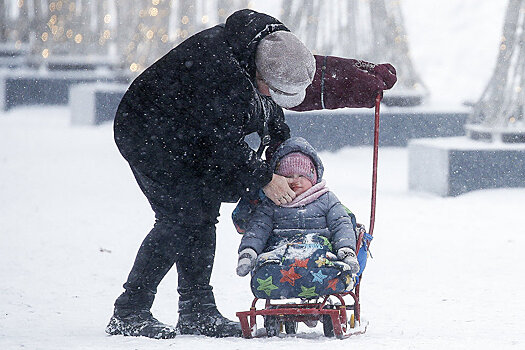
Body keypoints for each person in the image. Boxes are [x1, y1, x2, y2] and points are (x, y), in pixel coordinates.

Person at [107, 8, 397, 339]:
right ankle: (130, 310)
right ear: (260, 76)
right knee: (181, 217)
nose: (273, 97)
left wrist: (281, 149)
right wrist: (264, 179)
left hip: (190, 133)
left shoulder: (270, 49)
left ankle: (196, 310)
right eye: (270, 90)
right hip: (151, 132)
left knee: (202, 215)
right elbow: (224, 146)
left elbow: (269, 111)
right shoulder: (221, 71)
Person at [235, 137, 360, 298]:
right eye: (288, 175)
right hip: (282, 252)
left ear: (313, 177)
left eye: (301, 175)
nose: (295, 180)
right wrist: (249, 250)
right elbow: (258, 228)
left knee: (327, 264)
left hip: (318, 252)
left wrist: (346, 249)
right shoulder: (272, 203)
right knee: (268, 265)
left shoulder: (326, 199)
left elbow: (341, 224)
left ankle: (319, 281)